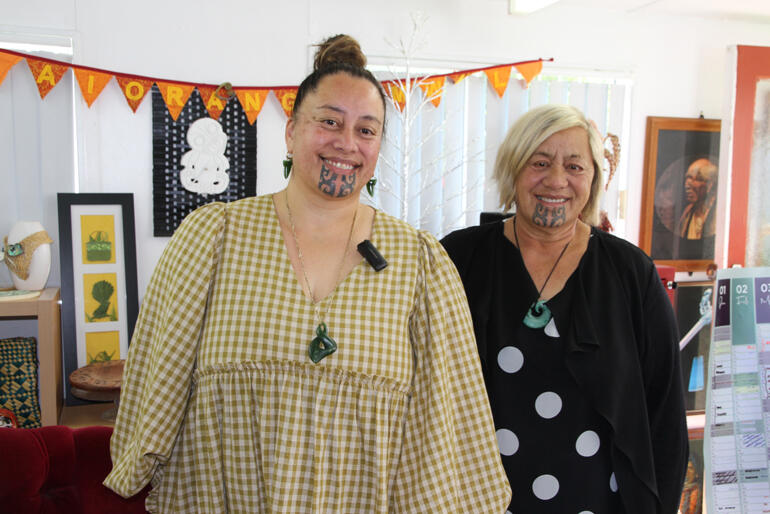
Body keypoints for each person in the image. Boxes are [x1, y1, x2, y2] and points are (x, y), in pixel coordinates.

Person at [104, 34, 510, 513]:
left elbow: (443, 422)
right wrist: (135, 463)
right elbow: (158, 382)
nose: (346, 142)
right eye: (329, 121)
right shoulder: (214, 237)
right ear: (292, 130)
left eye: (366, 130)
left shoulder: (420, 263)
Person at [441, 104, 688, 513]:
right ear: (513, 169)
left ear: (593, 178)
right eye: (540, 162)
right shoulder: (458, 258)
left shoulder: (630, 273)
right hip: (474, 502)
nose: (556, 180)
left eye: (575, 166)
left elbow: (664, 413)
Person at [676, 157, 717, 239]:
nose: (687, 186)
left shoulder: (718, 213)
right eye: (687, 179)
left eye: (693, 179)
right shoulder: (687, 214)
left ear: (709, 184)